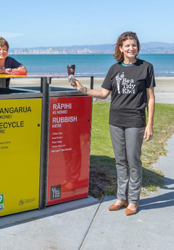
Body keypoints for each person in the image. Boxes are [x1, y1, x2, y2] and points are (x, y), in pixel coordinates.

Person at [70, 31, 155, 216]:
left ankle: (133, 201)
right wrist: (82, 89)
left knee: (133, 160)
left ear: (137, 47)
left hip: (135, 120)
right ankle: (121, 198)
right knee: (120, 161)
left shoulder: (146, 67)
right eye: (127, 45)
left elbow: (150, 97)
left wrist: (149, 124)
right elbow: (103, 94)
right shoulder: (114, 69)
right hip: (115, 120)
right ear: (120, 48)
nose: (131, 48)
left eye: (134, 45)